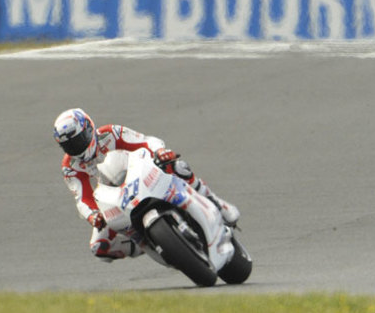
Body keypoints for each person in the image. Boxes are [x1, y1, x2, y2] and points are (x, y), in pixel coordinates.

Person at [53, 108, 240, 261]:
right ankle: (143, 243)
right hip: (114, 198)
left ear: (88, 129)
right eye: (69, 145)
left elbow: (144, 141)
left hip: (139, 175)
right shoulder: (70, 166)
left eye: (78, 141)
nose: (76, 148)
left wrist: (160, 152)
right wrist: (93, 215)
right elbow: (82, 197)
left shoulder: (110, 133)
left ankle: (215, 202)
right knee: (99, 248)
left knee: (178, 166)